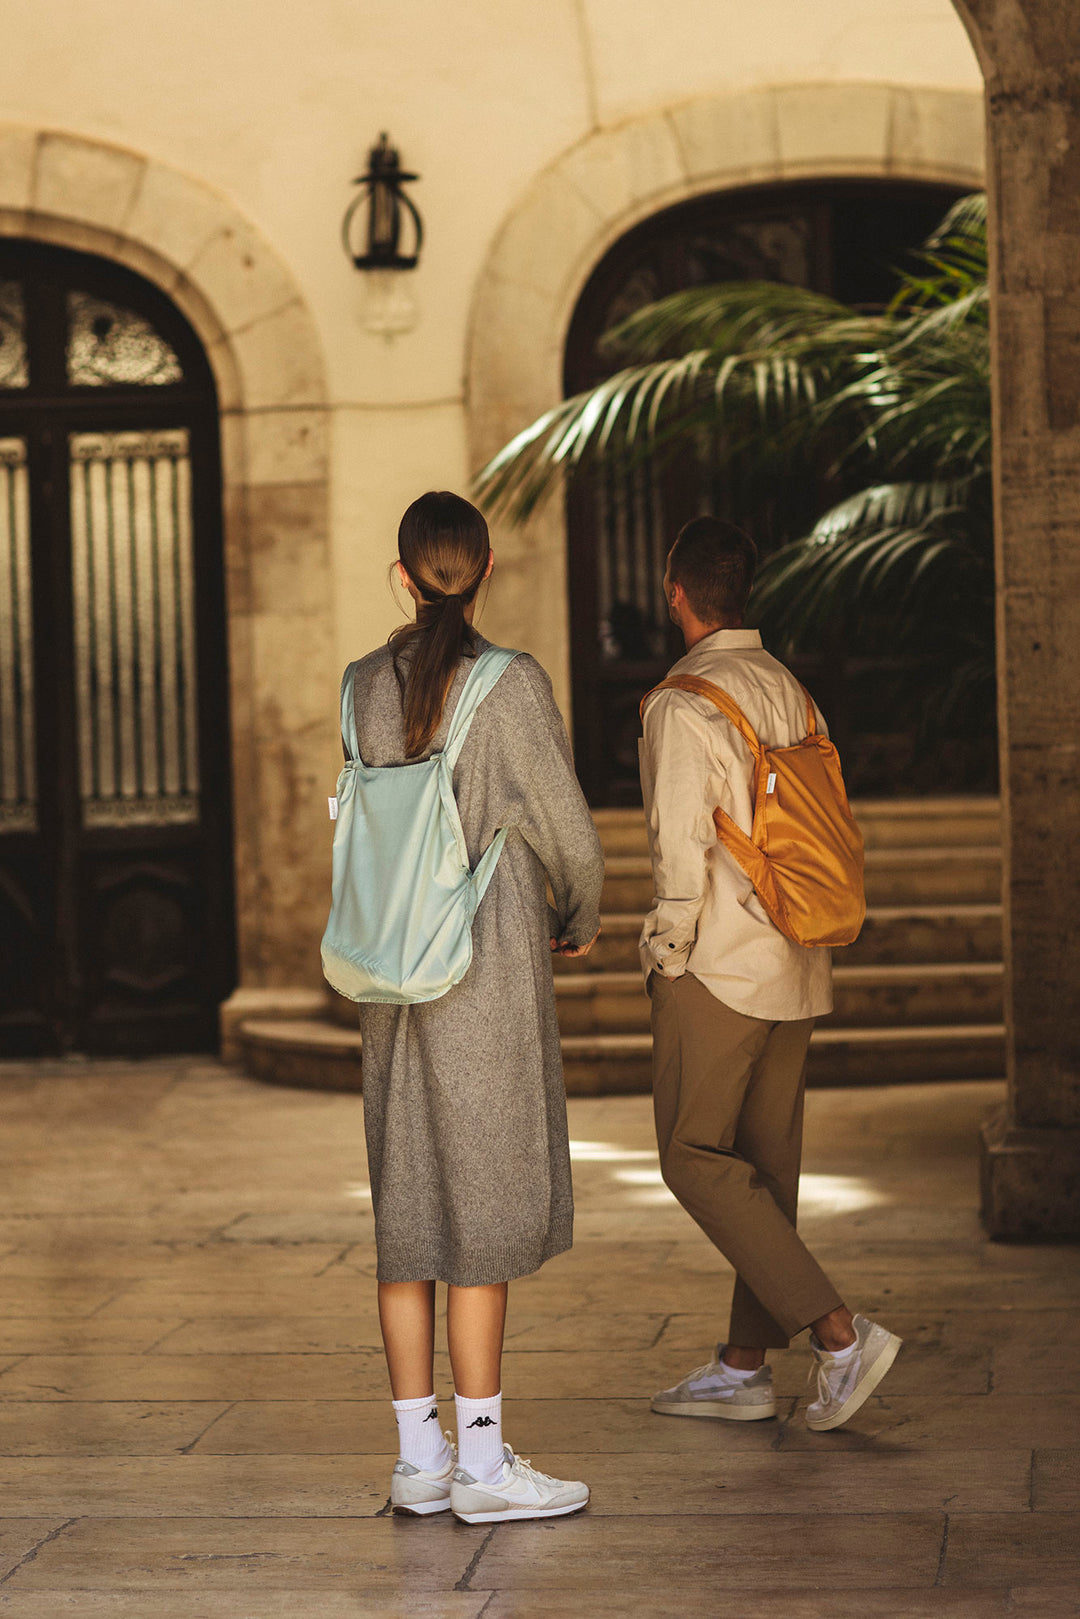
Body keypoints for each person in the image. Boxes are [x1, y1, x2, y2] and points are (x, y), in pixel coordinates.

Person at [348, 491, 603, 1521]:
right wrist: (579, 913)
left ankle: (420, 1459)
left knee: (409, 1213)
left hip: (388, 975)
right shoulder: (511, 685)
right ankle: (486, 1466)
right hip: (482, 967)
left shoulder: (361, 682)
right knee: (482, 1221)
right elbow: (570, 835)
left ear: (402, 573)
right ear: (486, 566)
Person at [639, 516, 901, 1432]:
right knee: (764, 1166)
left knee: (692, 1156)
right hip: (801, 951)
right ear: (740, 593)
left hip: (719, 963)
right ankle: (745, 1366)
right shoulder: (791, 688)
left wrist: (664, 951)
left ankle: (837, 1334)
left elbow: (682, 846)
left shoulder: (682, 701)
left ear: (677, 594)